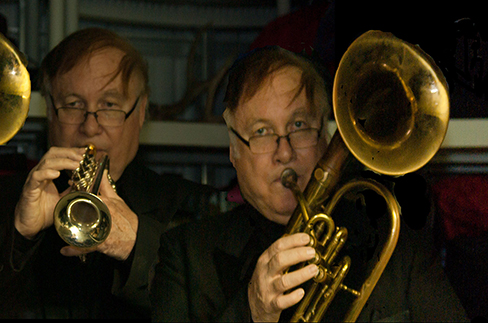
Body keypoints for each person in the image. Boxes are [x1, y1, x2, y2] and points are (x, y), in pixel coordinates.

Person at [148, 46, 467, 322]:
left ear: (325, 136)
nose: (284, 152)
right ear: (234, 150)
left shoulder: (395, 244)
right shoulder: (186, 256)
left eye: (299, 125)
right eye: (261, 132)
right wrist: (252, 312)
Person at [0, 27, 220, 319]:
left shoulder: (192, 208)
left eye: (109, 105)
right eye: (73, 104)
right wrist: (19, 240)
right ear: (50, 112)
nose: (90, 127)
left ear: (141, 111)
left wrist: (135, 244)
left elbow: (214, 309)